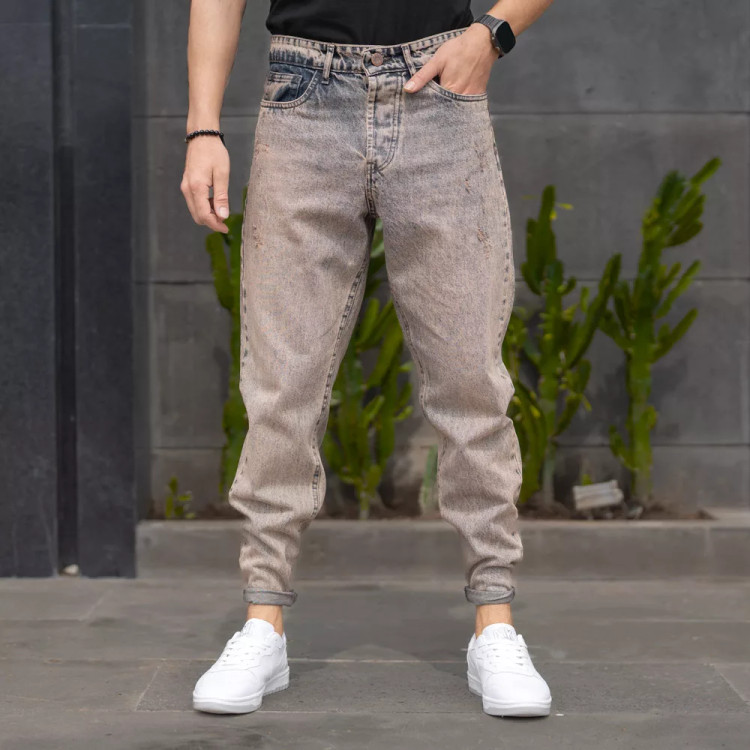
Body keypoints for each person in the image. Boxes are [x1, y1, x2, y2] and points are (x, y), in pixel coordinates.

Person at [181, 0, 555, 719]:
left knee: (470, 379)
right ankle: (263, 623)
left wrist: (493, 34)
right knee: (282, 383)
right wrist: (203, 127)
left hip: (439, 93)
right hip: (303, 100)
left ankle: (494, 621)